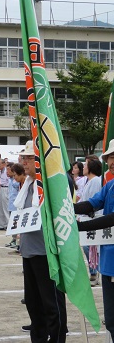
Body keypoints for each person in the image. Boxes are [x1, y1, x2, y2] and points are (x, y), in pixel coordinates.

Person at [16, 140, 67, 343]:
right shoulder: (27, 184)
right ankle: (37, 338)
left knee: (52, 303)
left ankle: (56, 339)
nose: (25, 162)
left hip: (47, 252)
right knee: (33, 302)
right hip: (29, 250)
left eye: (29, 158)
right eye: (24, 158)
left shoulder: (49, 184)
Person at [74, 140, 114, 341]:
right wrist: (67, 209)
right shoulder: (110, 185)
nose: (112, 161)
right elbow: (92, 204)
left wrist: (80, 227)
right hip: (108, 260)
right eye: (110, 157)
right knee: (112, 319)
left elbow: (113, 217)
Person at [78, 157, 102, 286]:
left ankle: (94, 271)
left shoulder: (95, 181)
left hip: (92, 218)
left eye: (86, 165)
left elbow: (92, 202)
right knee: (88, 246)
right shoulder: (89, 181)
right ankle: (93, 271)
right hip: (86, 217)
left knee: (90, 246)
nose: (83, 168)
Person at [0, 159, 9, 230]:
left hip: (6, 188)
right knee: (0, 206)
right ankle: (2, 224)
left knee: (5, 206)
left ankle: (7, 223)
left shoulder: (6, 171)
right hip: (1, 188)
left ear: (4, 164)